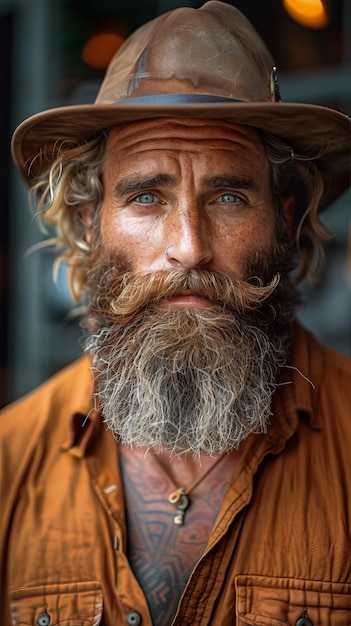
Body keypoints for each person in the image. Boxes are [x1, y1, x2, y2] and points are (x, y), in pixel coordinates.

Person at [1, 2, 350, 624]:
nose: (189, 246)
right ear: (90, 226)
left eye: (229, 195)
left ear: (287, 218)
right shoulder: (9, 461)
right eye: (145, 196)